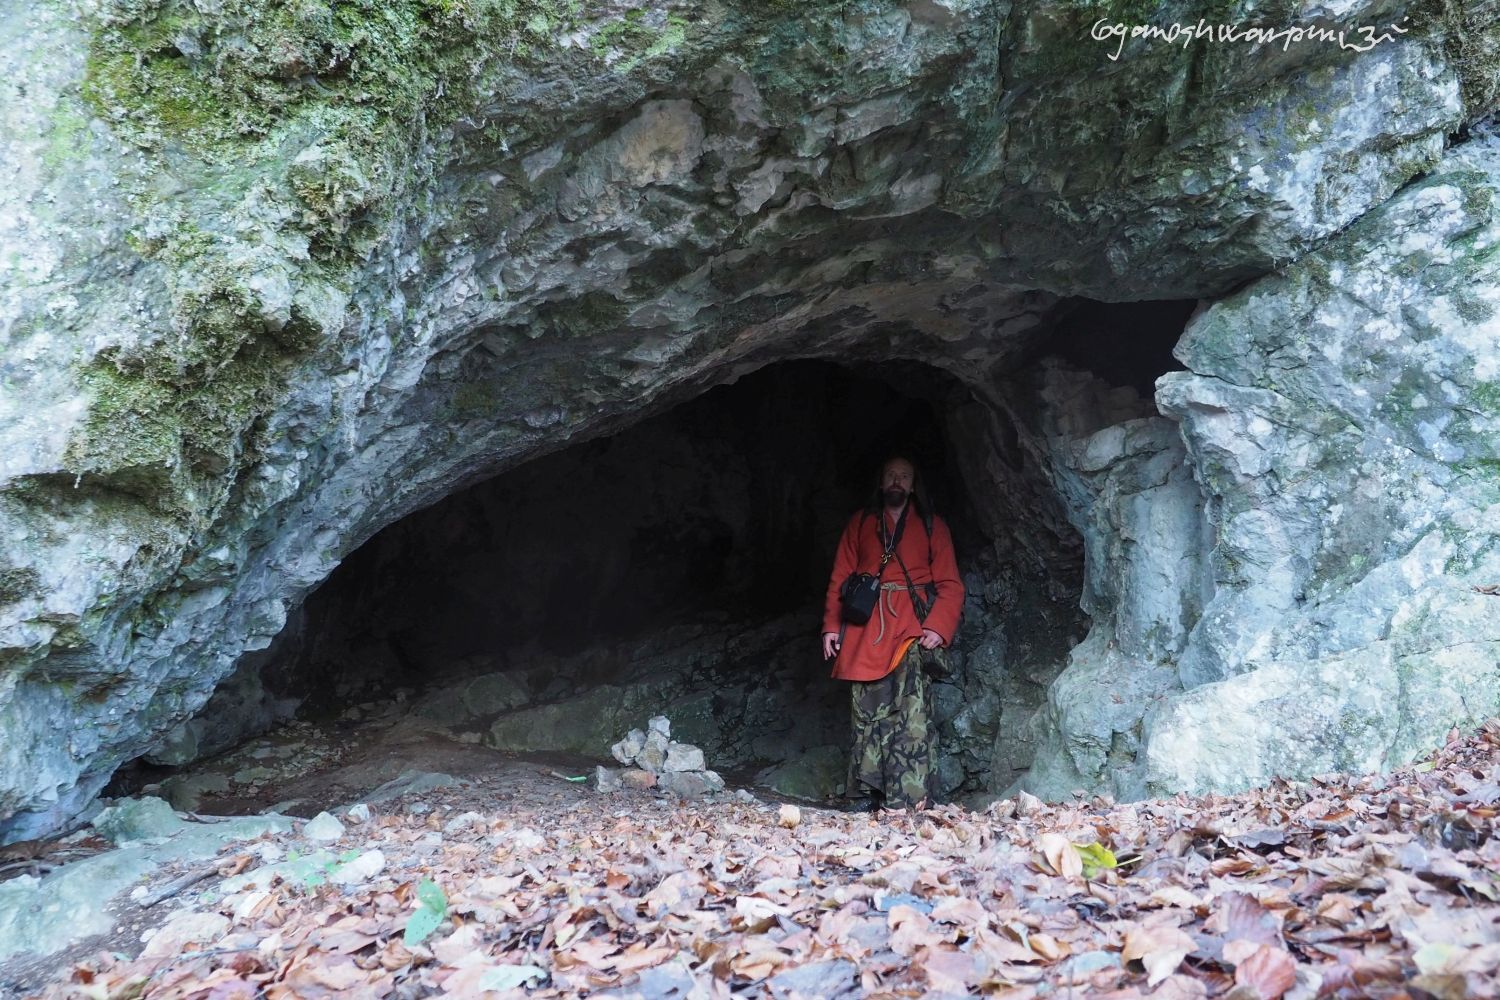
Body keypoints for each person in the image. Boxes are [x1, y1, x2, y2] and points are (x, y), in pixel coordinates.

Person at [821, 455, 964, 811]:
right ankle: (865, 795)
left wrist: (937, 627)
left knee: (910, 715)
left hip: (909, 629)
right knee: (865, 713)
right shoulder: (861, 523)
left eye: (904, 476)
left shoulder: (933, 526)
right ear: (881, 483)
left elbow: (950, 584)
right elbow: (841, 578)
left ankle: (909, 800)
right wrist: (831, 627)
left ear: (913, 486)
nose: (896, 482)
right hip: (864, 628)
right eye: (890, 476)